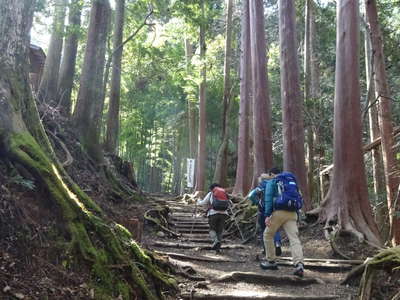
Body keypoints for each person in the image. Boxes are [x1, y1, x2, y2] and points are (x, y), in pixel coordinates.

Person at [260, 167, 305, 277]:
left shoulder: (273, 181)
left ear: (271, 174)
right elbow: (299, 196)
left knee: (268, 234)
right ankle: (299, 264)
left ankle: (271, 261)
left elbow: (268, 197)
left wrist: (267, 215)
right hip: (293, 213)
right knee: (294, 238)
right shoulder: (291, 181)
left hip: (279, 212)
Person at [247, 173, 282, 256]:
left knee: (263, 230)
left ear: (261, 179)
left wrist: (257, 202)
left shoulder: (261, 186)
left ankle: (266, 249)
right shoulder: (275, 185)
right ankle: (277, 244)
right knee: (275, 229)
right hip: (275, 211)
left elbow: (250, 195)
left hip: (263, 212)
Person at [197, 183, 230, 252]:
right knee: (219, 231)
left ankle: (215, 241)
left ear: (211, 188)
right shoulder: (224, 193)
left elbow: (203, 203)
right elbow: (228, 203)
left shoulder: (211, 193)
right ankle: (218, 248)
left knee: (212, 229)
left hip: (213, 213)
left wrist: (198, 201)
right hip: (224, 214)